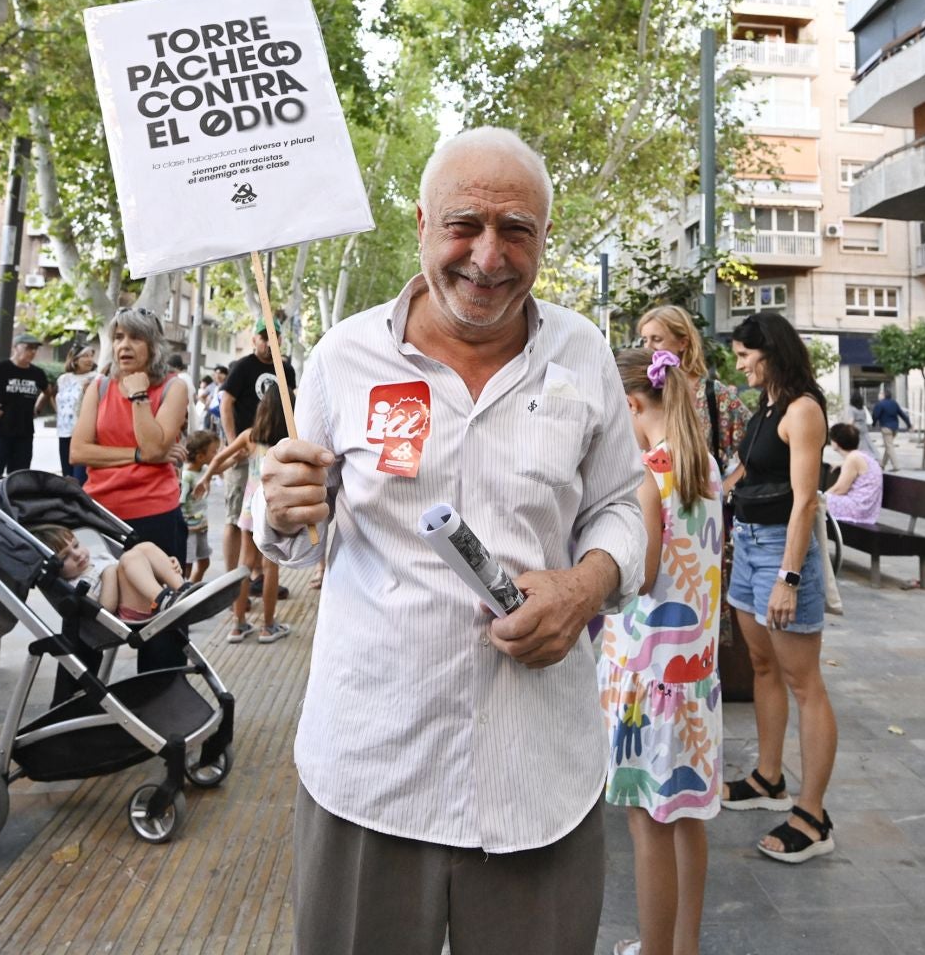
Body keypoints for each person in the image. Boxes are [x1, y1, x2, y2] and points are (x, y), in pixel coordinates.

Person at [257, 127, 645, 955]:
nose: (488, 256)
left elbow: (623, 503)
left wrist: (585, 586)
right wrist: (280, 511)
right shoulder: (343, 358)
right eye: (465, 225)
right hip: (372, 766)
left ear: (545, 237)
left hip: (538, 776)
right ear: (423, 223)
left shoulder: (581, 355)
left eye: (517, 232)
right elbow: (293, 544)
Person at [599, 347, 722, 955]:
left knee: (647, 822)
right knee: (687, 817)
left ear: (631, 404)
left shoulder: (650, 473)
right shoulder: (705, 467)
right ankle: (684, 946)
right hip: (697, 676)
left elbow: (640, 578)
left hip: (649, 677)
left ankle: (651, 952)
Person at [719, 310, 838, 864]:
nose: (739, 364)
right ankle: (770, 779)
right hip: (748, 545)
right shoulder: (764, 408)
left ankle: (813, 816)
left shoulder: (803, 410)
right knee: (763, 667)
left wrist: (788, 580)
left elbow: (805, 500)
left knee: (803, 681)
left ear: (771, 352)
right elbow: (741, 473)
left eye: (746, 355)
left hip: (780, 555)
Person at [70, 307, 190, 670]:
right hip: (101, 517)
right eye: (118, 336)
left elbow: (157, 448)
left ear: (153, 346)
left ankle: (163, 705)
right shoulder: (100, 386)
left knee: (160, 623)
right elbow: (79, 451)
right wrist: (139, 455)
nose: (124, 345)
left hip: (156, 517)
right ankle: (77, 704)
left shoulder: (173, 387)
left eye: (135, 337)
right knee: (88, 618)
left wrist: (139, 398)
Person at [207, 385, 292, 644]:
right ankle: (268, 627)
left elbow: (218, 459)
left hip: (249, 507)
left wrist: (208, 478)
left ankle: (238, 624)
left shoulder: (249, 437)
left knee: (244, 566)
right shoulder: (289, 442)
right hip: (274, 508)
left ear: (262, 409)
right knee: (270, 566)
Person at [219, 326, 294, 603]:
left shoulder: (285, 369)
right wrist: (231, 444)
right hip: (245, 451)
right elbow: (226, 402)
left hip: (274, 455)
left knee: (268, 521)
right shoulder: (243, 367)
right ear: (254, 340)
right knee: (235, 518)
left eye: (274, 337)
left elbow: (293, 404)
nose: (268, 342)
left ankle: (258, 580)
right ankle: (232, 587)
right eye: (264, 337)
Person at [636, 304, 749, 474]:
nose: (648, 347)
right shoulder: (639, 392)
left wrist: (727, 488)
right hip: (649, 496)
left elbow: (758, 445)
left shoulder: (713, 394)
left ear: (683, 343)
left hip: (700, 497)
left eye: (656, 339)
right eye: (645, 340)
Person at [34, 525, 184, 622]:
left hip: (147, 593)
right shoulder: (76, 586)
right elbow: (106, 609)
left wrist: (163, 563)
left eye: (76, 545)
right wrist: (109, 572)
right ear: (54, 567)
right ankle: (163, 600)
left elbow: (135, 569)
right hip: (129, 612)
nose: (78, 554)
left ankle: (182, 589)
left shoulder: (98, 558)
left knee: (145, 547)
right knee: (129, 557)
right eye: (65, 557)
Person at [0, 332, 52, 477]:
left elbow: (48, 392)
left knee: (18, 478)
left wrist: (38, 408)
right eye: (28, 347)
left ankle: (10, 500)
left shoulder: (37, 373)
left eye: (35, 348)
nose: (32, 352)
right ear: (16, 347)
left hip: (24, 434)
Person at [823, 423, 883, 530]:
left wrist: (822, 497)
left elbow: (840, 489)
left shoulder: (852, 459)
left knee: (812, 503)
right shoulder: (859, 456)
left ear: (836, 443)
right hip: (866, 508)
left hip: (858, 508)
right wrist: (842, 464)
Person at [53, 345, 98, 483]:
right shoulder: (63, 379)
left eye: (91, 356)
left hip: (84, 434)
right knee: (67, 478)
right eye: (85, 356)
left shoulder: (96, 378)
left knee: (80, 479)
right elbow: (59, 399)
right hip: (64, 433)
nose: (89, 359)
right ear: (75, 359)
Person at [180, 430, 219, 583]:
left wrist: (235, 457)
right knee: (186, 566)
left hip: (201, 527)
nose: (216, 454)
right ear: (200, 457)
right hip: (189, 530)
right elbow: (179, 504)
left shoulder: (203, 470)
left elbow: (218, 467)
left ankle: (191, 592)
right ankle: (183, 594)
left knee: (204, 562)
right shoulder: (187, 477)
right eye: (213, 452)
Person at [869, 389, 909, 469]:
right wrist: (909, 424)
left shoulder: (880, 404)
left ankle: (896, 466)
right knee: (888, 446)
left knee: (889, 446)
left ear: (884, 395)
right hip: (895, 428)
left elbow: (875, 415)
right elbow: (902, 414)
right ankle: (882, 464)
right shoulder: (894, 403)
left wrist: (873, 424)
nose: (879, 395)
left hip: (886, 427)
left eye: (880, 393)